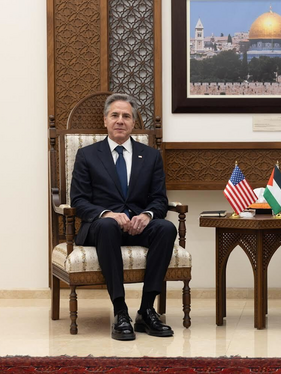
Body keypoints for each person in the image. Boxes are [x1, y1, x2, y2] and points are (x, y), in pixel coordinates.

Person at [71, 93, 177, 341]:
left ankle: (146, 310)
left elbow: (159, 199)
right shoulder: (87, 155)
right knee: (108, 225)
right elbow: (79, 200)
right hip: (102, 228)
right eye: (115, 115)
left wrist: (147, 215)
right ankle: (120, 311)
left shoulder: (150, 156)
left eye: (126, 116)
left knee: (166, 228)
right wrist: (107, 213)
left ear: (133, 122)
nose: (120, 120)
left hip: (138, 226)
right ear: (105, 120)